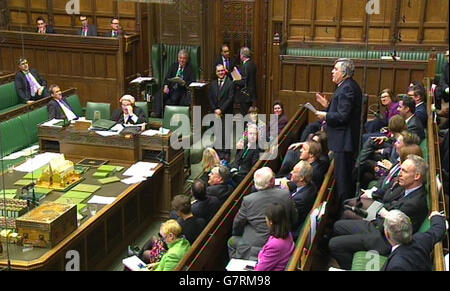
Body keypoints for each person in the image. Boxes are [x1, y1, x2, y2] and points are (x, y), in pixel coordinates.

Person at [328, 155, 428, 270]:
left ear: (417, 176)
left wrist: (372, 216)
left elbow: (392, 227)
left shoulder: (415, 203)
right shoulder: (405, 187)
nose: (400, 174)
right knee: (338, 226)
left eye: (404, 171)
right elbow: (387, 203)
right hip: (379, 226)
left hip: (385, 240)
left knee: (334, 244)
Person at [315, 58, 362, 205]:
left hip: (344, 141)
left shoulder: (347, 88)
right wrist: (328, 106)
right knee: (342, 178)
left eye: (335, 69)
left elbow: (343, 117)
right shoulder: (347, 85)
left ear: (344, 72)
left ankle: (345, 209)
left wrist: (326, 115)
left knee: (343, 180)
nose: (332, 71)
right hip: (343, 140)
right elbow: (342, 110)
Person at [228, 167, 298, 260]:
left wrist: (237, 234)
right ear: (272, 181)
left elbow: (238, 223)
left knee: (231, 241)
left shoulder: (248, 200)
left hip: (254, 244)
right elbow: (294, 218)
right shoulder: (285, 194)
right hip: (281, 237)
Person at [382, 210, 447, 271]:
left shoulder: (397, 266)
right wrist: (436, 216)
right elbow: (438, 229)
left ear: (387, 234)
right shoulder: (421, 239)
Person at [152, 49, 196, 117]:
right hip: (170, 87)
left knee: (175, 97)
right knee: (159, 94)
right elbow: (167, 77)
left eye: (184, 58)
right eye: (180, 58)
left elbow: (192, 81)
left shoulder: (190, 68)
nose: (182, 60)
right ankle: (157, 113)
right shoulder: (174, 66)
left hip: (182, 89)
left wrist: (185, 83)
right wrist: (166, 86)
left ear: (187, 59)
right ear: (178, 58)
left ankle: (168, 115)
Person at [254, 203, 295, 271]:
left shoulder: (274, 245)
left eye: (266, 219)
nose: (265, 221)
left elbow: (260, 270)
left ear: (271, 222)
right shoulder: (287, 234)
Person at [209, 64, 234, 160]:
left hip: (226, 112)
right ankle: (218, 152)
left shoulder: (230, 83)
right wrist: (215, 109)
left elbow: (230, 98)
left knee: (226, 133)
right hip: (215, 114)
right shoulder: (213, 84)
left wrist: (221, 110)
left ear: (225, 71)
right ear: (216, 73)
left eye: (222, 71)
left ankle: (226, 153)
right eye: (218, 71)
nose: (220, 73)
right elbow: (210, 98)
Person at [288, 161, 317, 230]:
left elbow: (291, 220)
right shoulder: (311, 184)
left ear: (301, 178)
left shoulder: (299, 199)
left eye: (294, 172)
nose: (291, 173)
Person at [234, 47, 257, 116]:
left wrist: (235, 81)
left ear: (242, 55)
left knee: (245, 115)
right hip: (251, 94)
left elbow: (243, 82)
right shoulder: (253, 64)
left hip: (245, 96)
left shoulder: (245, 66)